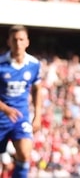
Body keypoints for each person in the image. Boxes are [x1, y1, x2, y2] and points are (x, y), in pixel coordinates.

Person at [0, 25, 42, 178]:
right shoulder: (1, 64)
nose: (18, 43)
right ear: (9, 42)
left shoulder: (34, 65)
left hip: (21, 116)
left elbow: (37, 89)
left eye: (21, 39)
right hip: (1, 117)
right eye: (14, 40)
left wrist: (38, 115)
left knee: (24, 154)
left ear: (27, 42)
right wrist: (5, 109)